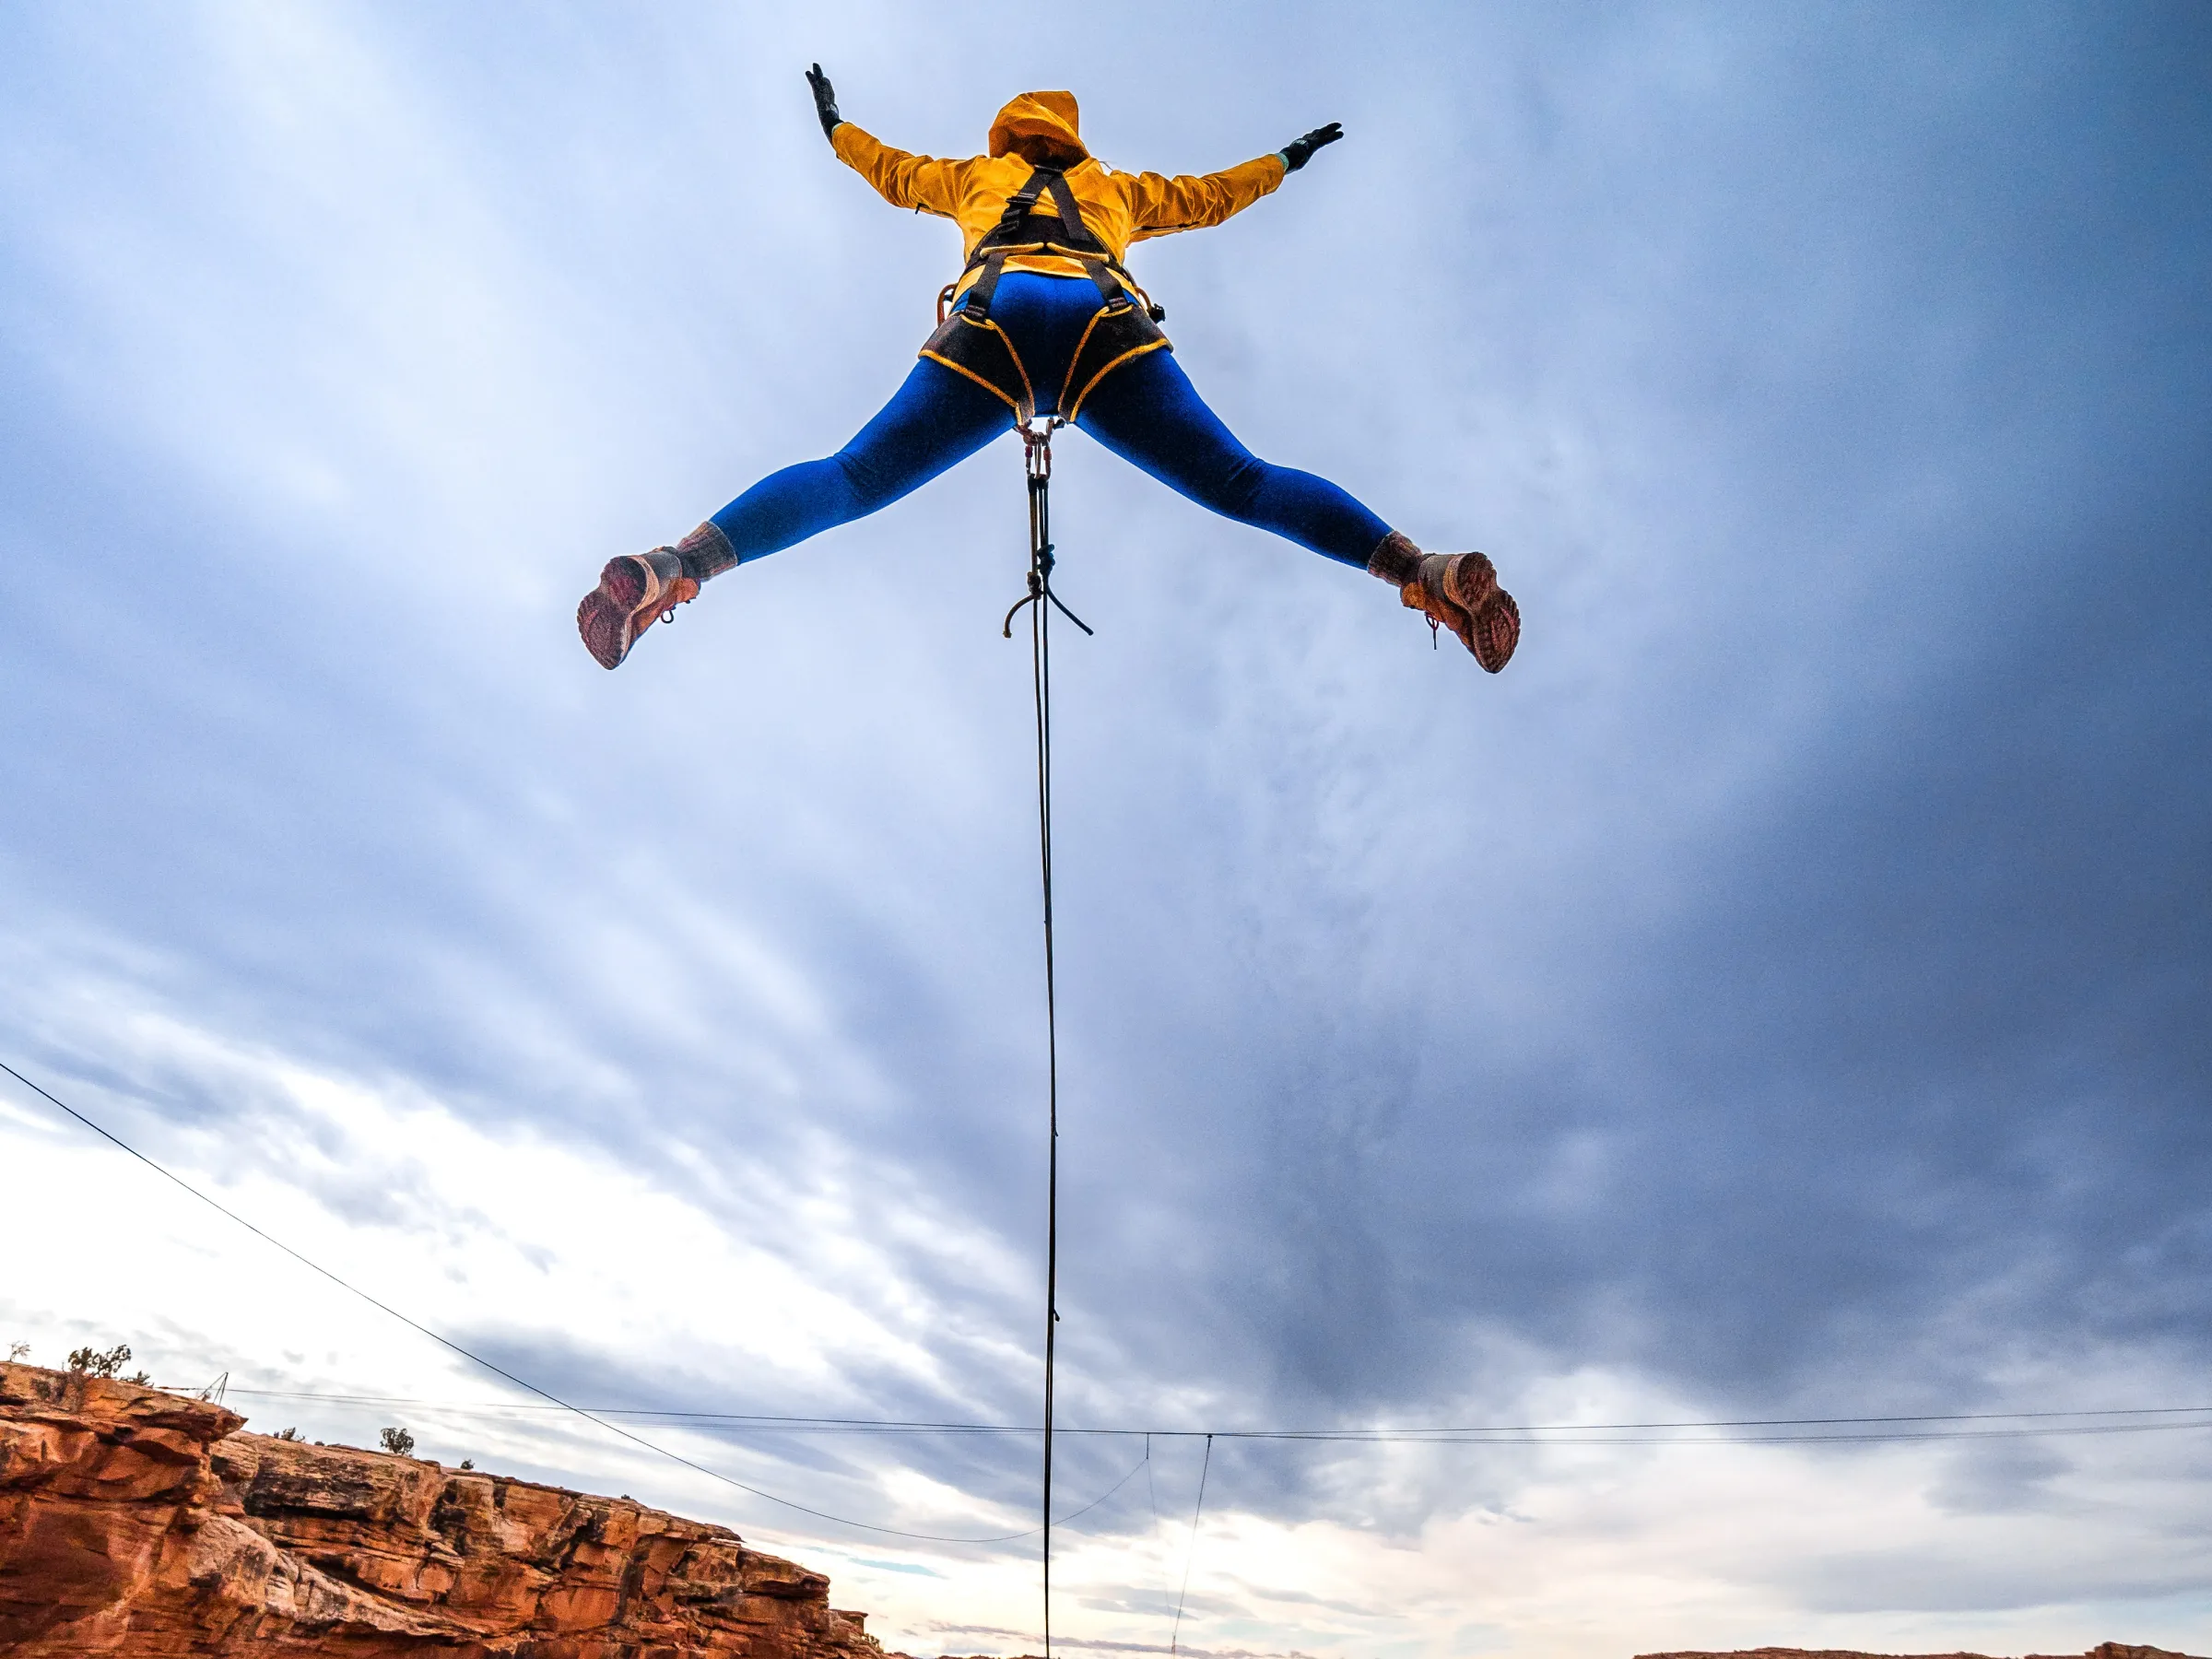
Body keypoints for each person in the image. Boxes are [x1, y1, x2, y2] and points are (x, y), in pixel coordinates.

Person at [577, 70, 1520, 674]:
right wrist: (1287, 160)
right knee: (1242, 481)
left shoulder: (969, 178)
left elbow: (889, 169)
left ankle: (676, 565)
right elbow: (1214, 197)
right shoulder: (1117, 188)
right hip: (1104, 326)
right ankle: (1420, 569)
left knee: (855, 477)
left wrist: (834, 127)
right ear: (1067, 136)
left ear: (1004, 137)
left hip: (990, 321)